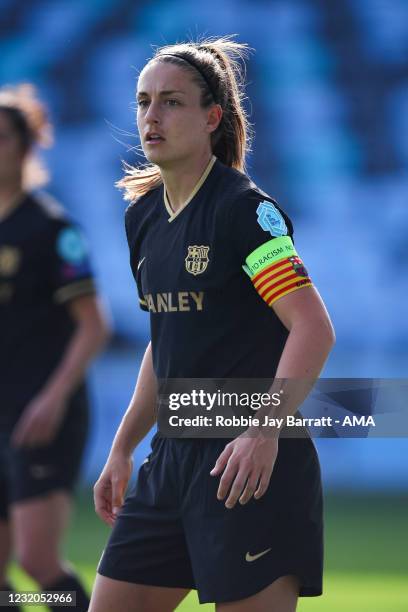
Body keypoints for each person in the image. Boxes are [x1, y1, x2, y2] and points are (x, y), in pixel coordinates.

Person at [90, 37, 335, 612]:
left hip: (247, 461)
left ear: (212, 117)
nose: (152, 116)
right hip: (170, 459)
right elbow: (165, 338)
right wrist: (123, 447)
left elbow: (312, 327)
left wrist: (264, 431)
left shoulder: (244, 211)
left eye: (171, 102)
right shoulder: (143, 216)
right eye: (144, 101)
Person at [0, 84, 109, 612]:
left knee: (38, 562)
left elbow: (94, 325)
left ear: (25, 147)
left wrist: (53, 397)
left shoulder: (50, 228)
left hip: (42, 413)